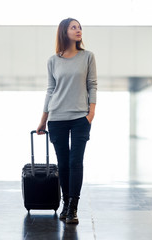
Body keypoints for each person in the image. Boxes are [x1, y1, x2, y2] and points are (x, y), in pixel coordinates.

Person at [36, 18, 97, 224]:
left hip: (81, 117)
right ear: (64, 32)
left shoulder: (88, 57)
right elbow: (50, 90)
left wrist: (91, 113)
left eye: (80, 27)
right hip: (57, 118)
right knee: (63, 163)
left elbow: (92, 85)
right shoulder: (53, 61)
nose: (79, 30)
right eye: (74, 27)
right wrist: (43, 120)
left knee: (75, 161)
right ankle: (65, 203)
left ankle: (73, 207)